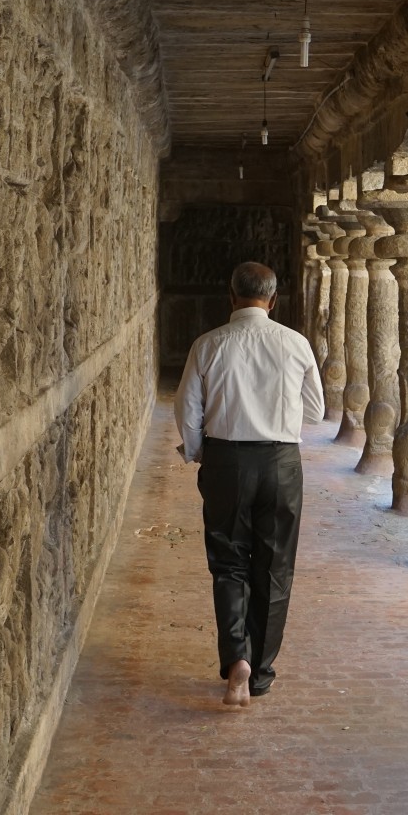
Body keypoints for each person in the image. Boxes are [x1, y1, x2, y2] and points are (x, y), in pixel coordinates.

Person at [173, 261, 325, 706]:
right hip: (280, 463)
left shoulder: (208, 344)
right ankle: (260, 673)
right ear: (273, 300)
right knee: (275, 568)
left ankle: (235, 655)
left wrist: (200, 452)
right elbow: (314, 411)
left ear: (231, 295)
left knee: (228, 563)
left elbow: (188, 411)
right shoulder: (295, 344)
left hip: (226, 461)